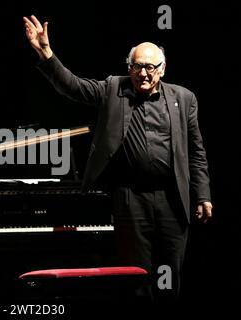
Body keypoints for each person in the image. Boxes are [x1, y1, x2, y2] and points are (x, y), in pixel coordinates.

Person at [23, 15, 213, 301]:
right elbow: (72, 86)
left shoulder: (184, 98)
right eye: (137, 66)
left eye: (150, 67)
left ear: (163, 69)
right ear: (129, 67)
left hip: (173, 199)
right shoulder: (113, 89)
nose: (144, 73)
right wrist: (46, 53)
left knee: (170, 274)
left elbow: (196, 151)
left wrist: (202, 195)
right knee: (135, 277)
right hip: (130, 199)